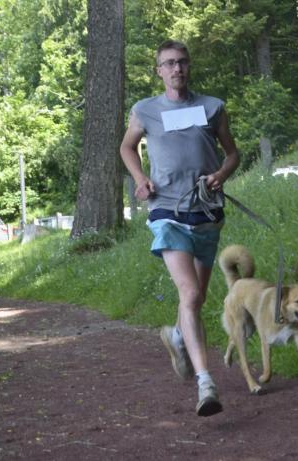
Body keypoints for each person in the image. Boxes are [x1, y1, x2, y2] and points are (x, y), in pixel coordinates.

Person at [119, 40, 241, 417]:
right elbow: (127, 147)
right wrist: (140, 178)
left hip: (206, 210)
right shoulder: (145, 110)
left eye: (182, 63)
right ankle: (206, 383)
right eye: (169, 64)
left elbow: (233, 153)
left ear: (190, 67)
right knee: (189, 295)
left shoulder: (212, 107)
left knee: (198, 298)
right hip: (167, 210)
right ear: (159, 71)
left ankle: (176, 336)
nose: (177, 69)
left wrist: (221, 174)